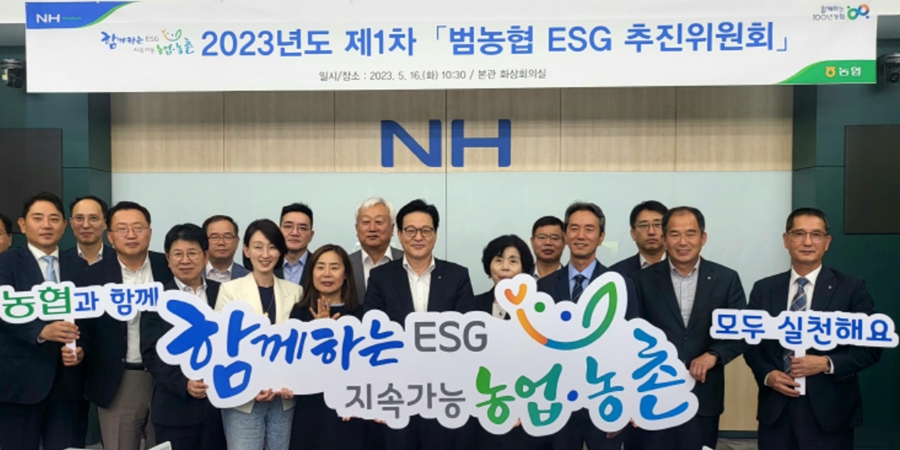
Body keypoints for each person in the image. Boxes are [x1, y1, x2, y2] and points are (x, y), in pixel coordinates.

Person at [744, 208, 882, 450]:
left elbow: (871, 347)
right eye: (799, 234)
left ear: (827, 242)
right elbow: (750, 344)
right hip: (776, 410)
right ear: (786, 240)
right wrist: (767, 374)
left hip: (830, 413)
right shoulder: (764, 289)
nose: (807, 242)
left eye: (816, 235)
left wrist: (827, 363)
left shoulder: (851, 288)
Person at [632, 206, 747, 450]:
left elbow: (741, 334)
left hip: (703, 395)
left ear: (703, 238)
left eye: (690, 234)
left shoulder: (726, 279)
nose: (683, 242)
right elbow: (631, 338)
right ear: (664, 239)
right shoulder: (641, 281)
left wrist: (714, 354)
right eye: (675, 234)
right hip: (652, 396)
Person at [365, 199, 476, 450]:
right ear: (399, 234)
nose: (418, 237)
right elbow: (373, 330)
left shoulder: (457, 275)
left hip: (443, 389)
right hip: (397, 387)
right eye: (411, 230)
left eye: (426, 230)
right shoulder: (381, 277)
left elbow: (465, 331)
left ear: (435, 234)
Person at [537, 202, 638, 450]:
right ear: (565, 235)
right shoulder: (544, 287)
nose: (581, 236)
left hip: (605, 398)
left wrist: (627, 404)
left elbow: (631, 347)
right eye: (574, 228)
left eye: (589, 229)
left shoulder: (621, 285)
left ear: (601, 237)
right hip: (556, 401)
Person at [79, 201, 173, 450]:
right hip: (119, 380)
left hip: (168, 377)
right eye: (122, 229)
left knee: (167, 445)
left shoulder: (169, 267)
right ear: (110, 236)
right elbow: (84, 327)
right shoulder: (92, 276)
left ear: (150, 232)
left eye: (138, 228)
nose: (131, 235)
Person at [0, 192, 88, 450]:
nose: (46, 225)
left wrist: (81, 349)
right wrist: (41, 331)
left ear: (64, 225)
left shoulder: (80, 265)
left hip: (68, 386)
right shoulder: (5, 264)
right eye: (38, 218)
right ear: (23, 224)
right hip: (18, 384)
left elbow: (91, 319)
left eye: (54, 219)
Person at [216, 219, 301, 450]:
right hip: (243, 397)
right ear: (246, 250)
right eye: (257, 246)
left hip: (284, 397)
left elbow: (300, 348)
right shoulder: (230, 290)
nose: (265, 254)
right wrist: (252, 386)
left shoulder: (295, 292)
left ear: (280, 251)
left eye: (272, 247)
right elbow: (223, 346)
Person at [140, 223, 227, 450]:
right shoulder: (156, 299)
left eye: (192, 253)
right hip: (174, 410)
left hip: (219, 411)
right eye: (178, 254)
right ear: (168, 259)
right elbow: (150, 354)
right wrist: (184, 383)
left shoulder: (223, 293)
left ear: (206, 256)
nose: (185, 260)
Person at [473, 235, 550, 450]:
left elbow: (544, 365)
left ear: (523, 269)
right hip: (481, 411)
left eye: (513, 261)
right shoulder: (472, 306)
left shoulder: (537, 311)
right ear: (489, 266)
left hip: (524, 415)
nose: (505, 267)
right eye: (498, 260)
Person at [290, 244, 366, 450]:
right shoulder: (299, 313)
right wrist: (318, 332)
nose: (327, 274)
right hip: (310, 408)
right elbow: (295, 366)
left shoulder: (360, 314)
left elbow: (364, 367)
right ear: (311, 273)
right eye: (320, 267)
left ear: (346, 274)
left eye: (334, 267)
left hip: (349, 409)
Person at [349, 197, 403, 306]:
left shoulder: (407, 261)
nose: (372, 228)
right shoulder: (345, 263)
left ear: (392, 229)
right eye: (366, 222)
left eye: (379, 222)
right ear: (357, 229)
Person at [610, 200, 668, 279]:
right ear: (633, 234)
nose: (651, 232)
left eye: (657, 225)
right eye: (644, 225)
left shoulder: (681, 266)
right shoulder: (617, 274)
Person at [63, 195, 116, 266]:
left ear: (105, 223)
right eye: (79, 218)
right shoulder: (61, 262)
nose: (86, 225)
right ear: (71, 223)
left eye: (93, 218)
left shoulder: (119, 259)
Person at [275, 203, 315, 286]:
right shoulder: (269, 264)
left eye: (302, 228)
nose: (294, 233)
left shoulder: (318, 265)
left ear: (311, 235)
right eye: (288, 226)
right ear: (278, 231)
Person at [201, 214, 250, 282]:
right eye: (215, 237)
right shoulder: (192, 275)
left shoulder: (248, 278)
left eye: (227, 237)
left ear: (236, 241)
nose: (221, 243)